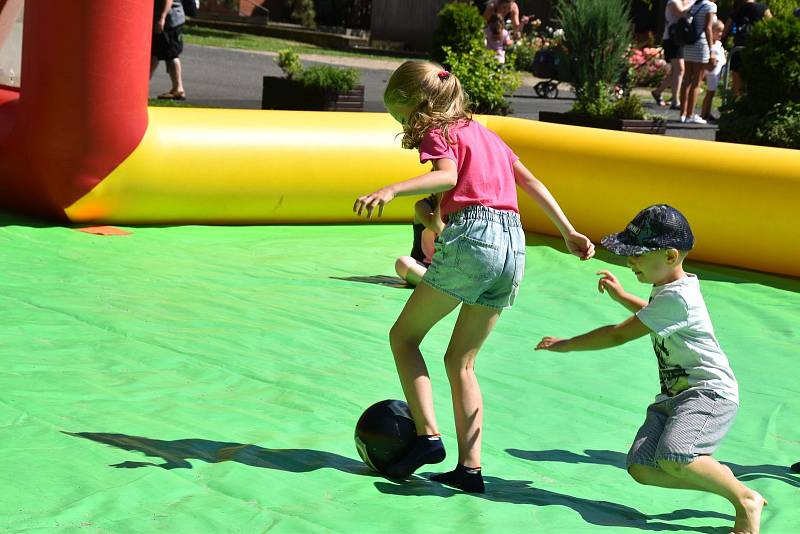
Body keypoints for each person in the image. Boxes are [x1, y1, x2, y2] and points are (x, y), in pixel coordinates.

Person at [353, 60, 594, 492]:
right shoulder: (488, 136)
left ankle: (427, 436)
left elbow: (447, 175)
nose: (406, 127)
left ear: (420, 105)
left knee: (403, 337)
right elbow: (530, 182)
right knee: (461, 361)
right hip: (512, 247)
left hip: (477, 238)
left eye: (403, 117)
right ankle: (471, 469)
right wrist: (568, 230)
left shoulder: (439, 129)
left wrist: (390, 189)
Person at [536, 204, 766, 534]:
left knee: (676, 456)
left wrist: (568, 343)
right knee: (642, 467)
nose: (630, 260)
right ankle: (724, 481)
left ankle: (744, 500)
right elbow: (654, 314)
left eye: (639, 254)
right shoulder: (669, 290)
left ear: (671, 256)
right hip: (675, 395)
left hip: (707, 392)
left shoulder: (679, 297)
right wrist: (624, 297)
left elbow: (619, 333)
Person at [679, 0, 717, 124]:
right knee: (697, 82)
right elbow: (708, 28)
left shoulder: (693, 4)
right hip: (701, 45)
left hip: (688, 44)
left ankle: (682, 114)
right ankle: (690, 115)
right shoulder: (710, 6)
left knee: (686, 81)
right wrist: (712, 50)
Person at [723, 0, 772, 96]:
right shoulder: (762, 8)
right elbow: (773, 25)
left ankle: (735, 105)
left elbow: (725, 31)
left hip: (738, 48)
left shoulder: (738, 9)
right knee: (753, 80)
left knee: (736, 81)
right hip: (755, 48)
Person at [651, 0, 694, 110]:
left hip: (681, 38)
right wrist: (693, 2)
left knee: (676, 71)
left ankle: (658, 92)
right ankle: (675, 100)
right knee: (680, 69)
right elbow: (680, 12)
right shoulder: (673, 1)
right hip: (672, 38)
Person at [395, 194, 444, 286]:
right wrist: (444, 197)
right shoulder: (423, 205)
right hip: (424, 268)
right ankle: (440, 286)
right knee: (403, 262)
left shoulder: (468, 208)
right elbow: (437, 227)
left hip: (453, 269)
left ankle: (439, 285)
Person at [151, 0, 187, 100]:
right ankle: (142, 85)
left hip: (170, 21)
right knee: (155, 53)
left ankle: (178, 89)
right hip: (166, 20)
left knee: (171, 54)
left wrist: (162, 18)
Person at [700, 19, 726, 122]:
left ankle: (707, 113)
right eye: (718, 31)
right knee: (709, 93)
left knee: (711, 93)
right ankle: (703, 113)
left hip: (717, 73)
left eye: (722, 31)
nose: (721, 33)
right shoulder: (711, 45)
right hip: (711, 72)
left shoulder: (719, 44)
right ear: (711, 31)